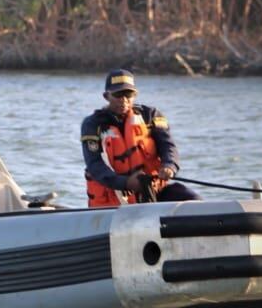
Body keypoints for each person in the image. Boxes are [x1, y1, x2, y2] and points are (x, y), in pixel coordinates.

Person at [81, 69, 199, 206]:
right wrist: (125, 183)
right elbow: (94, 164)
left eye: (128, 94)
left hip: (152, 191)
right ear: (106, 96)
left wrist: (169, 166)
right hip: (114, 201)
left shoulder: (150, 115)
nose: (123, 100)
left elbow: (168, 146)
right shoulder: (92, 124)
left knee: (193, 199)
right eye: (118, 95)